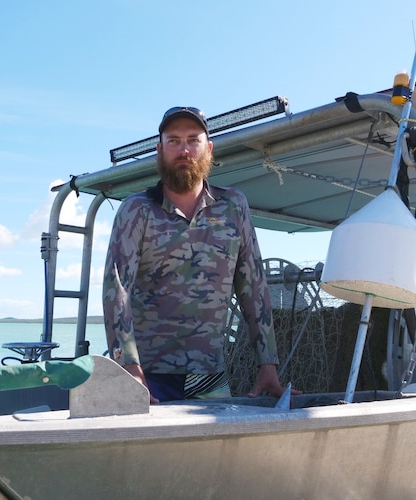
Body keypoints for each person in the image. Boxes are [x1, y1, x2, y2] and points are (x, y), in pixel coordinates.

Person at [103, 106, 291, 403]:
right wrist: (128, 364)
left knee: (214, 449)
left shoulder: (233, 206)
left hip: (210, 374)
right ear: (159, 149)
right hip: (148, 376)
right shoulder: (136, 210)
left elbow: (253, 286)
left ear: (209, 148)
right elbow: (117, 290)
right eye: (174, 141)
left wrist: (268, 364)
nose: (184, 149)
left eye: (193, 140)